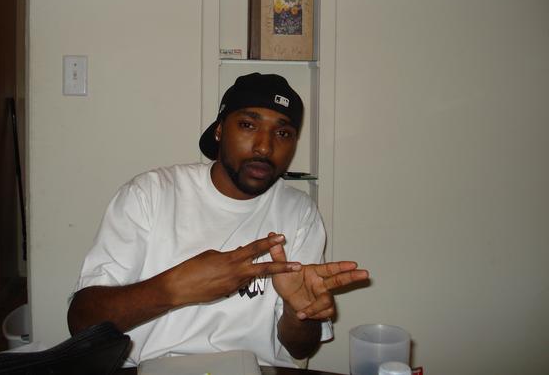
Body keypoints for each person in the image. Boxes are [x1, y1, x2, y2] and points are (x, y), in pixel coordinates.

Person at [67, 72, 369, 368]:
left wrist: (299, 313)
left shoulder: (298, 212)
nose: (265, 147)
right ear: (220, 130)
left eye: (283, 133)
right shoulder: (150, 194)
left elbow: (301, 347)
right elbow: (82, 321)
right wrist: (173, 288)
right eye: (248, 125)